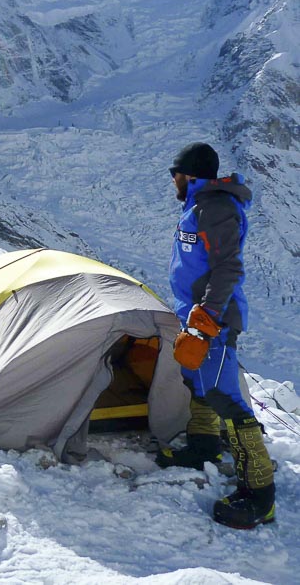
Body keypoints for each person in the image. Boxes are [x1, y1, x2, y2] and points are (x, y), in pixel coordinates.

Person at [159, 142, 276, 529]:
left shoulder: (216, 208)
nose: (172, 181)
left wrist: (207, 319)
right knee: (197, 381)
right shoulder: (198, 205)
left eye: (175, 174)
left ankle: (259, 495)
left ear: (189, 175)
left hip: (215, 321)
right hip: (194, 315)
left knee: (225, 397)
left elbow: (228, 268)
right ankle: (203, 446)